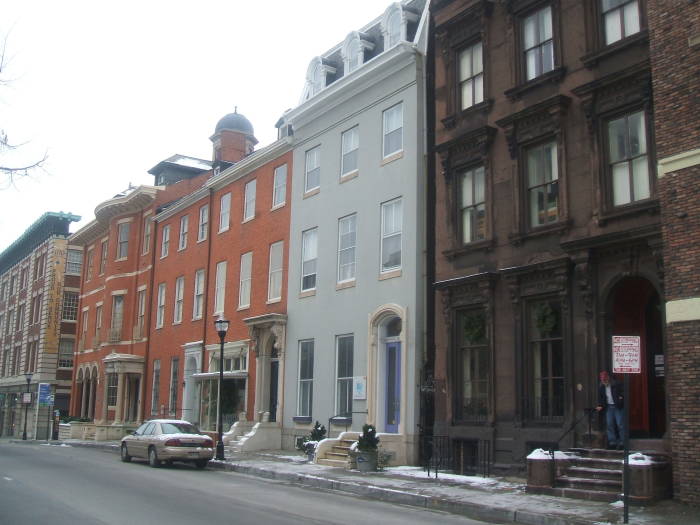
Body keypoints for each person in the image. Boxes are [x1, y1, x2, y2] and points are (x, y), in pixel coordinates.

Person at [596, 371, 625, 450]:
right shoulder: (601, 387)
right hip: (609, 407)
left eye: (605, 379)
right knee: (609, 424)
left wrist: (621, 400)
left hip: (617, 406)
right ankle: (612, 442)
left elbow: (623, 392)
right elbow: (601, 398)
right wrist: (600, 405)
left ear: (608, 377)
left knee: (620, 424)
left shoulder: (616, 384)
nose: (603, 381)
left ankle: (623, 442)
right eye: (602, 379)